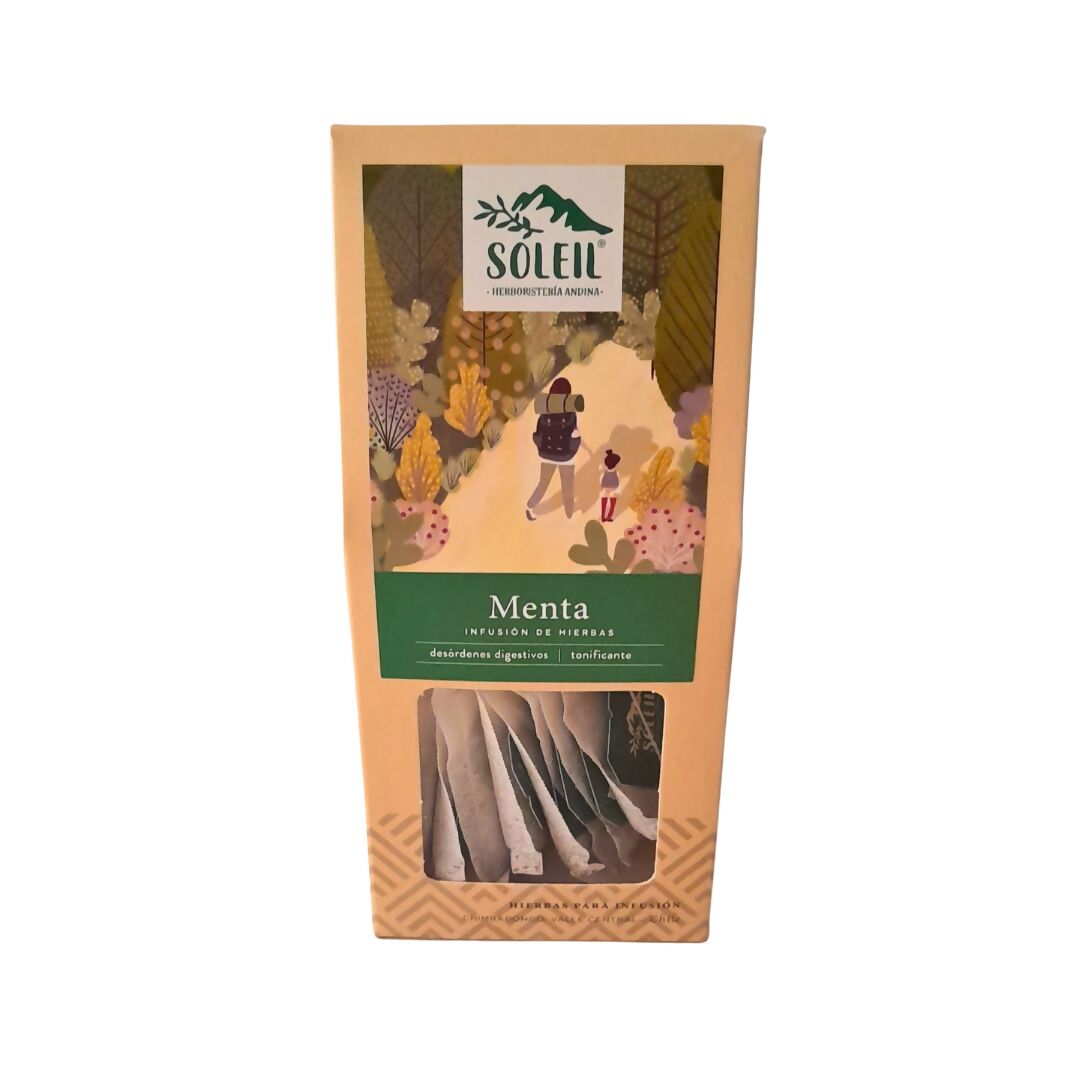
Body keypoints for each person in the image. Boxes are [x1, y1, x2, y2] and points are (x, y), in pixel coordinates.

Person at [526, 376, 581, 521]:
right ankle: (569, 514)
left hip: (546, 455)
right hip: (566, 457)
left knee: (543, 483)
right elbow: (574, 434)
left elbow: (538, 434)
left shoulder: (544, 412)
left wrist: (541, 448)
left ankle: (530, 507)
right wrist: (575, 444)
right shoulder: (571, 413)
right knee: (567, 487)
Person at [599, 448, 621, 522]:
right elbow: (618, 482)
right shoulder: (616, 473)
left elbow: (601, 481)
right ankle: (609, 517)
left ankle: (603, 517)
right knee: (612, 504)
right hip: (613, 490)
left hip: (605, 490)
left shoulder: (604, 473)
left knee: (604, 503)